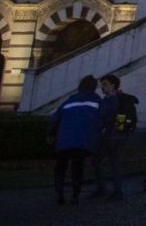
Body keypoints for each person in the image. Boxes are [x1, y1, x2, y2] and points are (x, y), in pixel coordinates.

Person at [49, 75, 101, 205]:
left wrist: (51, 134)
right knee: (77, 168)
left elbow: (54, 118)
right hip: (82, 140)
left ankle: (59, 194)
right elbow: (103, 118)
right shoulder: (96, 100)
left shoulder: (70, 100)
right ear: (94, 87)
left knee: (60, 168)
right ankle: (75, 196)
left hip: (64, 139)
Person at [91, 73, 136, 199]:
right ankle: (115, 190)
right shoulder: (113, 99)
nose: (102, 87)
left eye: (105, 84)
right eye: (102, 85)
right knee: (112, 162)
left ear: (113, 85)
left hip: (111, 135)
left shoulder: (112, 100)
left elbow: (103, 116)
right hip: (115, 135)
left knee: (101, 161)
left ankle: (106, 188)